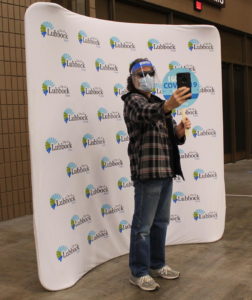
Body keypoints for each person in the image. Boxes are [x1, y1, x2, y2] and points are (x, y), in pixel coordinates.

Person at [121, 58, 192, 291]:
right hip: (147, 173)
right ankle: (138, 272)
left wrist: (179, 131)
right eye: (140, 75)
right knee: (143, 226)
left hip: (166, 171)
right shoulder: (132, 100)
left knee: (160, 223)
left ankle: (157, 264)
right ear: (132, 79)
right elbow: (146, 113)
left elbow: (171, 136)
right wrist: (167, 106)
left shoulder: (161, 103)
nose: (146, 77)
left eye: (150, 73)